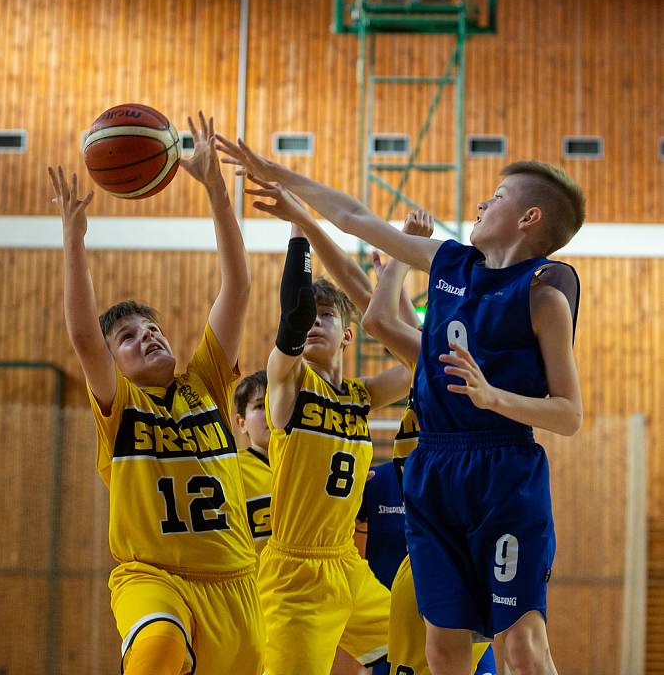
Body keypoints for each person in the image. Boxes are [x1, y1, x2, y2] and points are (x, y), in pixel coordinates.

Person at [216, 137, 585, 675]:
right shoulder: (449, 263)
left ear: (529, 217)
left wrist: (492, 397)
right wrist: (279, 173)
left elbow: (571, 415)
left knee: (522, 647)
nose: (481, 205)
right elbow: (356, 218)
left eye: (497, 196)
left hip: (502, 468)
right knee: (440, 649)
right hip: (432, 475)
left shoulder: (543, 293)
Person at [48, 113, 264, 675]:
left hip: (236, 584)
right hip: (152, 577)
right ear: (112, 359)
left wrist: (217, 189)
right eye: (127, 337)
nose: (148, 336)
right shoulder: (118, 406)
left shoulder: (206, 384)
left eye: (154, 330)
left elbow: (238, 286)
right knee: (158, 651)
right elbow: (81, 336)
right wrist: (73, 239)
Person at [239, 178, 413, 675]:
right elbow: (291, 318)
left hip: (346, 566)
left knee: (424, 651)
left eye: (326, 315)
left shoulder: (361, 396)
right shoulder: (289, 382)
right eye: (311, 316)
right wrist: (301, 229)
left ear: (349, 333)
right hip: (294, 572)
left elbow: (419, 357)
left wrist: (394, 275)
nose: (313, 322)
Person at [361, 248, 495, 675]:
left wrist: (398, 262)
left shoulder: (465, 376)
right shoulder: (431, 374)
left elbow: (391, 329)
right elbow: (414, 335)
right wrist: (390, 280)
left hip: (462, 551)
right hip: (420, 555)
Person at [234, 370, 272, 560]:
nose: (271, 411)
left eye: (276, 401)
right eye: (260, 406)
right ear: (242, 423)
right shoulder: (230, 470)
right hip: (255, 587)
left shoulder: (312, 467)